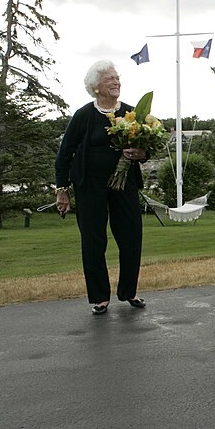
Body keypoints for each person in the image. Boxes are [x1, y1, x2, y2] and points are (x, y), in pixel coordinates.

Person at [54, 60, 148, 315]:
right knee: (93, 240)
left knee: (131, 237)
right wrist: (62, 190)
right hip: (89, 185)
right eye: (110, 79)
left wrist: (140, 152)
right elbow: (64, 154)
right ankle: (99, 296)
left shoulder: (132, 114)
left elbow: (146, 150)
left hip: (124, 184)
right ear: (96, 87)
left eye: (117, 78)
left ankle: (129, 291)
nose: (116, 82)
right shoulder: (84, 115)